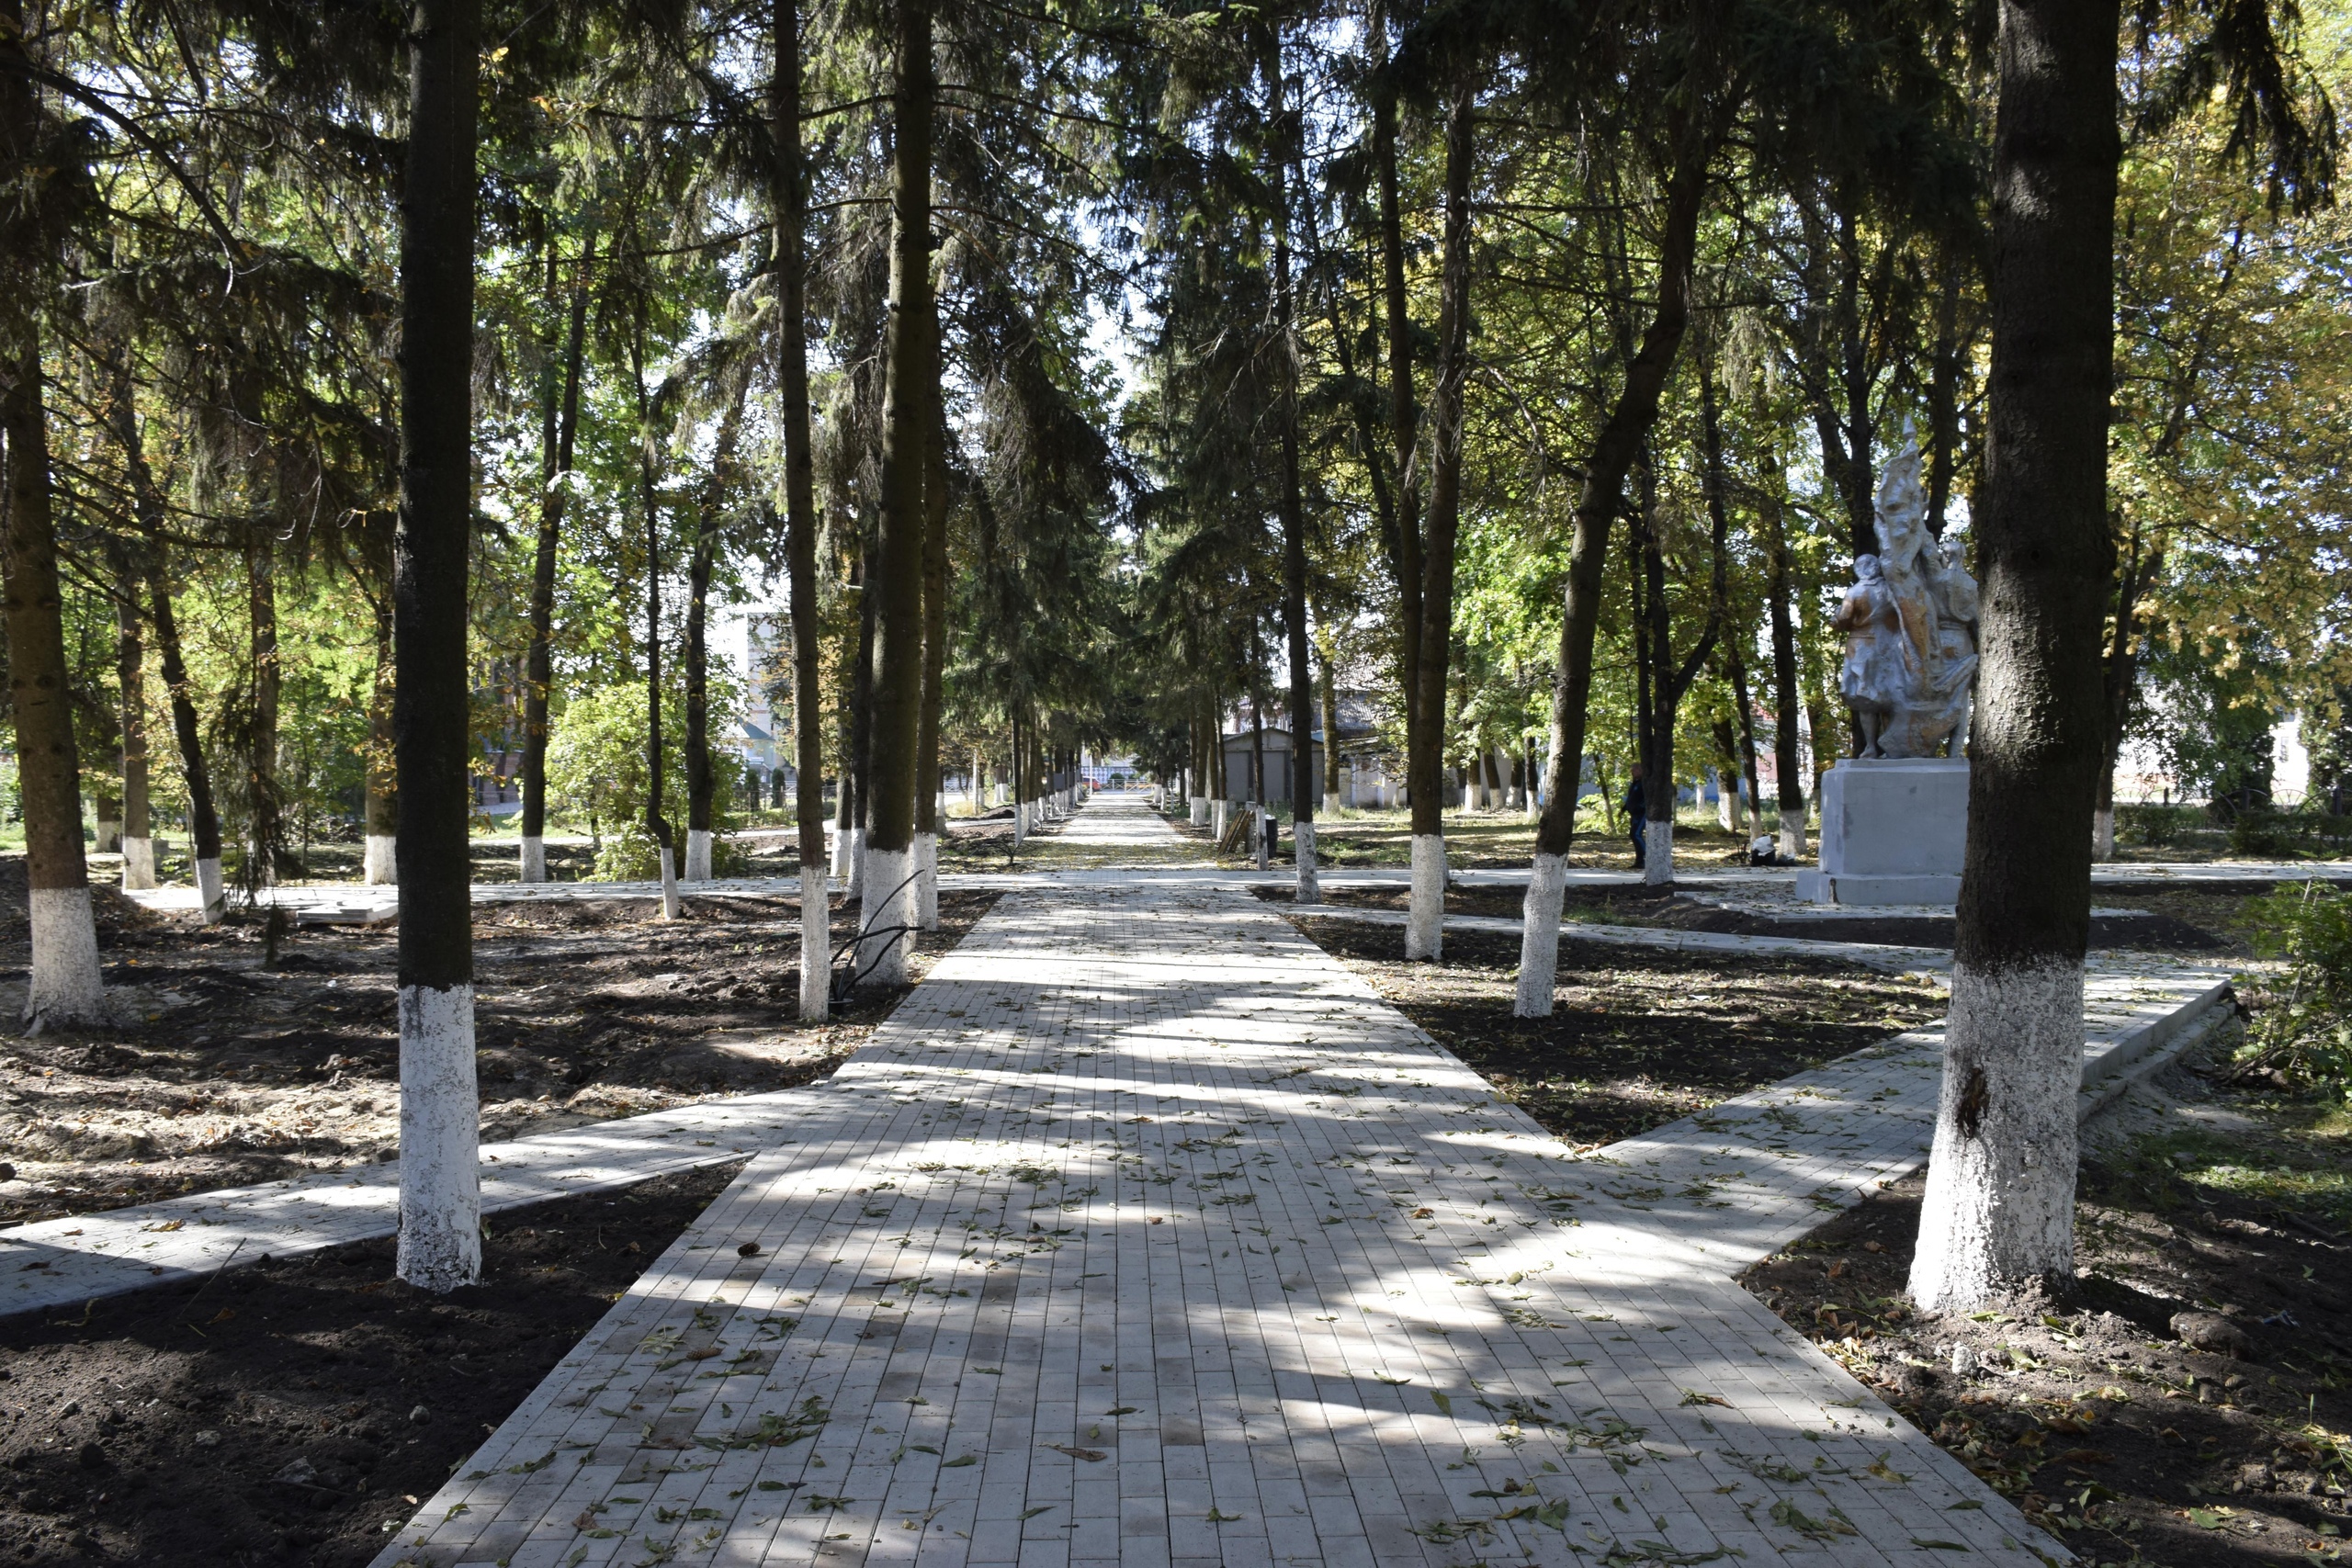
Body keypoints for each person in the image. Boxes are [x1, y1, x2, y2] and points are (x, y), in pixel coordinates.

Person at [1624, 763, 1647, 869]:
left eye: (1634, 770)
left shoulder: (1644, 783)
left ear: (1640, 770)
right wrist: (1624, 809)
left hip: (1641, 814)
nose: (1632, 773)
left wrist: (1639, 807)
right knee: (1634, 835)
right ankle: (1639, 861)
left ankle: (1647, 856)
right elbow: (1631, 798)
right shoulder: (1635, 783)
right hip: (1634, 814)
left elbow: (1646, 799)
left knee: (1636, 834)